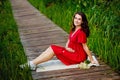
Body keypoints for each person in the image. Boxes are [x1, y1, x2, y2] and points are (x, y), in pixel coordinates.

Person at [20, 11, 98, 70]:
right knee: (52, 47)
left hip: (78, 57)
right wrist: (67, 47)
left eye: (79, 19)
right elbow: (69, 39)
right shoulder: (74, 29)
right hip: (71, 52)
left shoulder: (81, 33)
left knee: (53, 49)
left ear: (82, 21)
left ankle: (32, 64)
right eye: (75, 18)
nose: (76, 20)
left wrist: (91, 60)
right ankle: (33, 63)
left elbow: (85, 47)